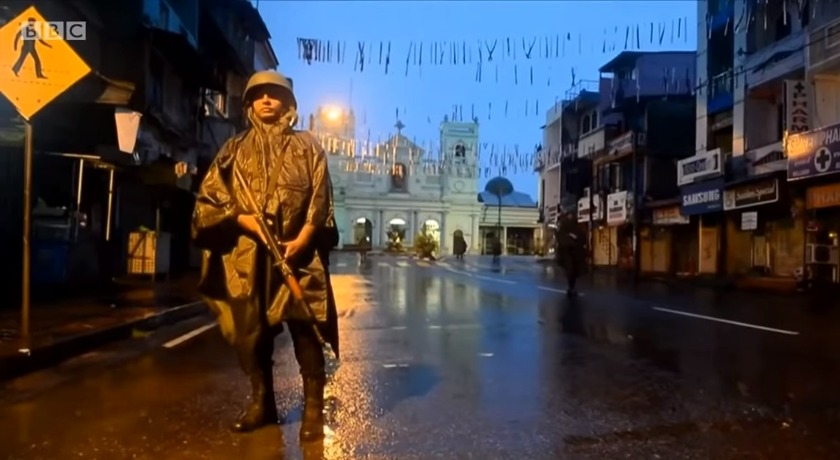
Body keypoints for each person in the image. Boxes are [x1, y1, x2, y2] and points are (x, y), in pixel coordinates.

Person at [191, 70, 339, 442]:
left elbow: (320, 197)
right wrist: (243, 220)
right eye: (259, 95)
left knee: (306, 328)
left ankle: (313, 411)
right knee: (253, 334)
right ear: (250, 104)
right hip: (248, 258)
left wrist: (305, 237)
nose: (267, 100)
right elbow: (210, 199)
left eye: (275, 95)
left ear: (288, 104)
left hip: (298, 257)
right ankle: (262, 404)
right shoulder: (234, 149)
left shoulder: (308, 147)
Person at [554, 213, 586, 296]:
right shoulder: (564, 227)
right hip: (567, 251)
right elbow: (561, 238)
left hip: (574, 252)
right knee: (570, 269)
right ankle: (571, 287)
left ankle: (572, 287)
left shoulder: (574, 227)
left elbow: (581, 237)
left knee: (573, 270)